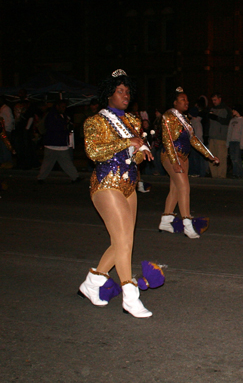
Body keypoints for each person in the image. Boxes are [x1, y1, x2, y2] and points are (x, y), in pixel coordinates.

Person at [79, 69, 155, 318]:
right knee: (123, 240)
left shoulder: (132, 121)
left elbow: (137, 154)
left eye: (127, 91)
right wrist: (127, 143)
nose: (125, 95)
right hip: (106, 183)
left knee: (123, 240)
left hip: (129, 185)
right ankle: (130, 295)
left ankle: (93, 282)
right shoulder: (95, 121)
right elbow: (94, 152)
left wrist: (140, 151)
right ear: (108, 94)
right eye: (120, 91)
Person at [158, 87, 219, 238]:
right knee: (184, 187)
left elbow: (194, 139)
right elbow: (167, 141)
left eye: (187, 99)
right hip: (171, 156)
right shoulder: (168, 116)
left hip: (183, 157)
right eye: (182, 100)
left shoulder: (184, 119)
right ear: (174, 102)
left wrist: (209, 155)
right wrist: (174, 162)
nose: (187, 102)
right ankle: (187, 223)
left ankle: (165, 221)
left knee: (176, 189)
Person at [36, 100, 81, 184]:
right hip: (55, 143)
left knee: (55, 163)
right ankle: (75, 177)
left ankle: (75, 177)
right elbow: (55, 128)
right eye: (62, 107)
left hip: (56, 143)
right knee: (60, 162)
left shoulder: (60, 115)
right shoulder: (53, 116)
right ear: (57, 106)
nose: (64, 108)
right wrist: (65, 126)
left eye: (64, 107)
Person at [207, 92, 231, 178]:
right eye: (212, 100)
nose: (214, 102)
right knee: (212, 158)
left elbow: (227, 121)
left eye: (215, 100)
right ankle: (214, 176)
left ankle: (221, 177)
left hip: (221, 138)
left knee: (221, 158)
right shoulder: (211, 109)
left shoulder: (226, 109)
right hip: (212, 137)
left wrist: (217, 118)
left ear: (220, 99)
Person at [226, 107, 243, 179]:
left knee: (237, 158)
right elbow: (229, 132)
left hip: (238, 142)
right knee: (232, 158)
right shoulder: (232, 120)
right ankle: (235, 173)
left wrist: (242, 144)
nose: (232, 111)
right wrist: (227, 142)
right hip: (232, 142)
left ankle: (240, 174)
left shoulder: (242, 120)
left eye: (234, 110)